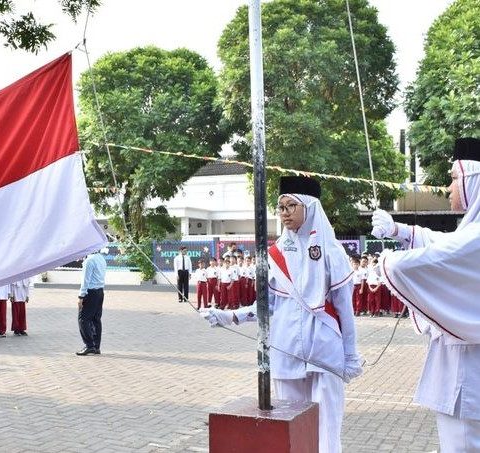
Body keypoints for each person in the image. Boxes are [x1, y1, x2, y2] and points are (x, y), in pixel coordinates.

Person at [202, 176, 362, 453]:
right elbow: (268, 305)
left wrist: (350, 355)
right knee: (292, 424)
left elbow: (345, 309)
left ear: (309, 208)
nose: (285, 212)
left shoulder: (332, 252)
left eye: (291, 206)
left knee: (326, 426)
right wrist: (231, 316)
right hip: (286, 349)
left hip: (324, 349)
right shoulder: (275, 254)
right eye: (281, 207)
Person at [371, 137, 480, 452]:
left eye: (453, 178)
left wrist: (388, 262)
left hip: (468, 377)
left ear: (472, 180)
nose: (448, 188)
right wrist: (400, 231)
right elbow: (447, 244)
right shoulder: (470, 233)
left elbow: (442, 256)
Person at [76, 248, 107, 356]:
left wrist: (81, 296)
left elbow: (85, 280)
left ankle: (89, 346)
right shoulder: (101, 258)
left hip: (91, 292)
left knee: (83, 319)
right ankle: (96, 346)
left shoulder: (89, 261)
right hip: (100, 291)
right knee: (96, 320)